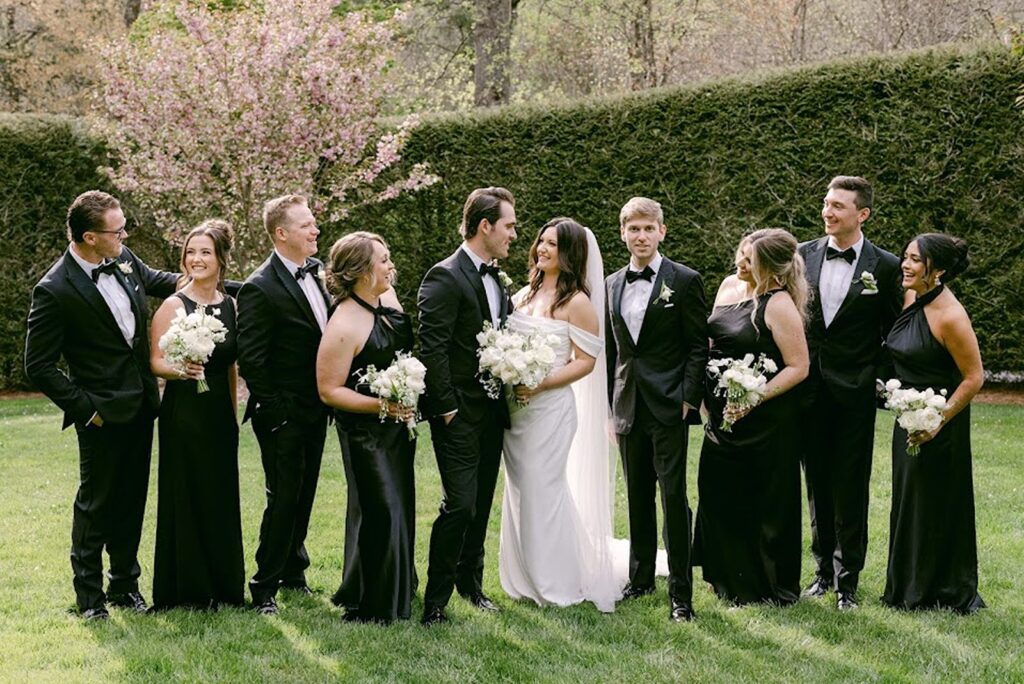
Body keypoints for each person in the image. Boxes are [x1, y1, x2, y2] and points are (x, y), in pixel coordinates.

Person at [24, 190, 178, 619]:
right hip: (100, 417)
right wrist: (86, 409)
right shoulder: (54, 289)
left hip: (142, 407)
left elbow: (160, 281)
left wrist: (229, 284)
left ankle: (124, 586)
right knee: (96, 505)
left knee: (131, 501)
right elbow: (37, 366)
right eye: (118, 229)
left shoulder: (124, 259)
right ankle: (89, 599)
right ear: (90, 237)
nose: (125, 234)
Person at [499, 217, 621, 612]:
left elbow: (586, 361)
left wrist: (542, 382)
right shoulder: (522, 295)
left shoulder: (578, 302)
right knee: (520, 491)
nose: (542, 250)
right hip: (516, 412)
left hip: (550, 411)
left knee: (543, 490)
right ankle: (523, 576)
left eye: (552, 244)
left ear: (569, 253)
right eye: (541, 242)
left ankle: (555, 580)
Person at [798, 175, 902, 610]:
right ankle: (821, 571)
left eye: (838, 206)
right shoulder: (801, 255)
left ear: (862, 214)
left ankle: (848, 582)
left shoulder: (885, 266)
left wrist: (872, 376)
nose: (827, 211)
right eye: (826, 203)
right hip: (808, 390)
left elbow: (895, 330)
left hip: (854, 393)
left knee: (850, 484)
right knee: (816, 481)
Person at [692, 229, 809, 606]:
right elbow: (713, 343)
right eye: (740, 255)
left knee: (765, 500)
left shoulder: (778, 305)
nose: (739, 264)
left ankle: (766, 585)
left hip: (766, 423)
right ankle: (723, 575)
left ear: (772, 270)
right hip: (721, 416)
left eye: (749, 260)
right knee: (719, 493)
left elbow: (799, 366)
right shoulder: (728, 286)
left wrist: (755, 397)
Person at [605, 196, 708, 622]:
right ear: (623, 233)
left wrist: (686, 397)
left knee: (672, 496)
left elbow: (697, 346)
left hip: (670, 406)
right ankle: (641, 577)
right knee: (637, 498)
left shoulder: (684, 280)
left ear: (662, 231)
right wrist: (609, 406)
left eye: (649, 228)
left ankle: (681, 596)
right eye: (634, 229)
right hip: (628, 404)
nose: (641, 236)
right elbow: (613, 351)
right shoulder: (610, 284)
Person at [417, 187, 517, 625]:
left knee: (480, 502)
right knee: (460, 505)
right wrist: (447, 409)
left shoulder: (497, 278)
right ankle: (435, 601)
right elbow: (433, 347)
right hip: (457, 413)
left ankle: (470, 586)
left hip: (493, 412)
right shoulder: (444, 276)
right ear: (485, 226)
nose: (514, 234)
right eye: (509, 226)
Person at [237, 194, 332, 615]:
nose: (315, 230)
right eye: (306, 225)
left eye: (313, 223)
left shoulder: (318, 274)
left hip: (317, 408)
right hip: (283, 415)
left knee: (305, 494)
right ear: (281, 233)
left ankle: (294, 570)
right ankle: (264, 587)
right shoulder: (261, 286)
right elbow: (252, 359)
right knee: (284, 498)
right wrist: (278, 412)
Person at [316, 232, 417, 623]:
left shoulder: (388, 301)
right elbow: (328, 390)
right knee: (381, 510)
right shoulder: (342, 325)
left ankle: (396, 587)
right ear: (360, 272)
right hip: (365, 434)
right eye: (383, 260)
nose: (391, 266)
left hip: (396, 430)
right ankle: (373, 605)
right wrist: (382, 405)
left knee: (401, 506)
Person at [881, 233, 984, 614]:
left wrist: (937, 419)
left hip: (941, 423)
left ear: (936, 270)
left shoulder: (951, 316)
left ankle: (939, 589)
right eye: (905, 257)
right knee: (909, 501)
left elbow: (974, 377)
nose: (904, 265)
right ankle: (905, 587)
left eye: (914, 260)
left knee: (936, 504)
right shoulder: (910, 295)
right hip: (907, 416)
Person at [148, 220, 245, 610]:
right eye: (191, 251)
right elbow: (154, 361)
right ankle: (187, 589)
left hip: (220, 412)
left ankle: (225, 586)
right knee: (186, 493)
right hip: (184, 413)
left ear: (221, 258)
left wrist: (234, 413)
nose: (196, 259)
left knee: (220, 495)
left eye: (205, 252)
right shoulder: (173, 305)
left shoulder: (231, 305)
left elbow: (231, 366)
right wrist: (180, 370)